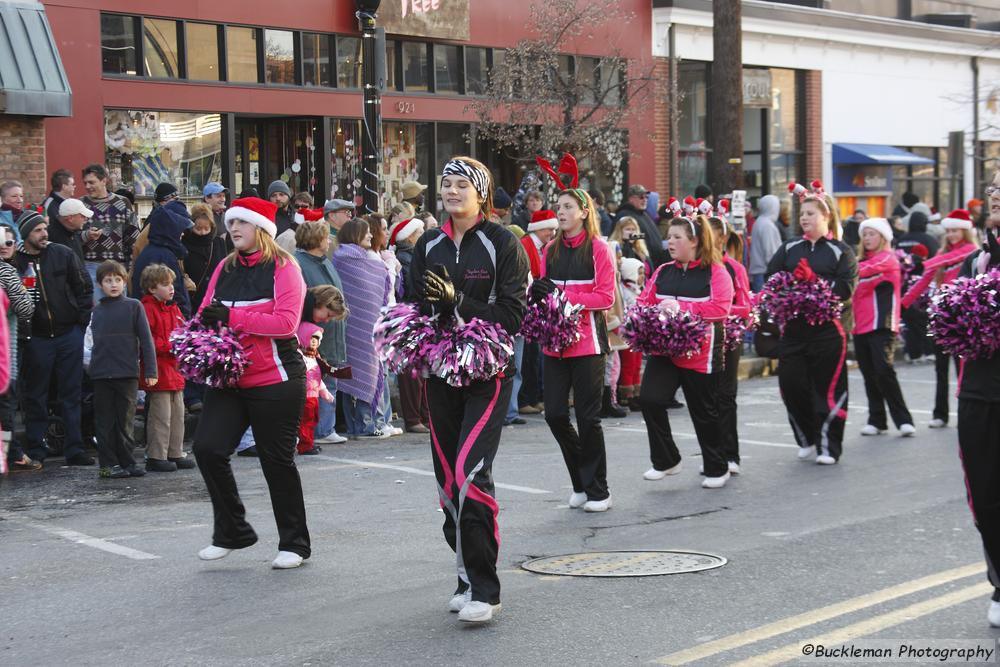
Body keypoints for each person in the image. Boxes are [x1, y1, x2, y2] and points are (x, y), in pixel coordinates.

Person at [408, 156, 528, 624]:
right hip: (441, 372)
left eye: (462, 184)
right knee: (447, 483)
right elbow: (414, 306)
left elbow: (513, 317)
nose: (452, 191)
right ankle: (463, 575)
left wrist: (460, 302)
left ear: (481, 192)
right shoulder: (429, 244)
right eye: (447, 183)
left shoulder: (503, 243)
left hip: (488, 373)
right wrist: (424, 316)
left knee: (471, 473)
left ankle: (485, 589)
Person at [192, 196, 310, 570]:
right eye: (230, 224)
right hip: (230, 377)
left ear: (261, 228)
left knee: (276, 461)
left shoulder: (284, 267)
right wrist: (204, 327)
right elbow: (205, 312)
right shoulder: (225, 267)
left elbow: (286, 324)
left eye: (241, 223)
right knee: (208, 449)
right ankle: (232, 531)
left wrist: (234, 316)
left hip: (276, 377)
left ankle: (295, 543)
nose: (234, 230)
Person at [532, 186, 615, 512]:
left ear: (584, 211)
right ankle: (582, 480)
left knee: (588, 418)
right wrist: (538, 294)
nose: (561, 212)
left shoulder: (599, 249)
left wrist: (565, 299)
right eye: (559, 206)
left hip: (588, 345)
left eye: (568, 207)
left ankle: (598, 490)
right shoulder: (549, 249)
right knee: (553, 414)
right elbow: (543, 294)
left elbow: (605, 298)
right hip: (554, 345)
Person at [637, 215, 734, 487]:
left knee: (704, 412)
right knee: (650, 400)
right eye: (669, 236)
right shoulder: (664, 270)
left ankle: (717, 467)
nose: (670, 241)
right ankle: (666, 460)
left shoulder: (715, 271)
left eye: (677, 237)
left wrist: (683, 309)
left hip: (701, 354)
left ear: (694, 241)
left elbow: (720, 309)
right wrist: (654, 311)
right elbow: (645, 300)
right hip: (665, 350)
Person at [765, 187, 857, 465]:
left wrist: (812, 282)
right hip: (794, 330)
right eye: (801, 213)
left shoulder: (841, 251)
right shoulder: (790, 247)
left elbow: (845, 288)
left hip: (829, 331)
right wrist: (791, 285)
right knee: (790, 385)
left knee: (826, 389)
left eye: (810, 213)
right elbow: (771, 277)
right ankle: (806, 436)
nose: (803, 218)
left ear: (826, 216)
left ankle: (829, 446)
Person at [955, 172, 1000, 627]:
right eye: (993, 190)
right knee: (984, 498)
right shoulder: (976, 262)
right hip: (978, 393)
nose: (995, 196)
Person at [15, 210, 94, 466]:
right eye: (37, 230)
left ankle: (75, 448)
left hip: (68, 334)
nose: (44, 234)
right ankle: (37, 448)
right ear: (26, 233)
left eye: (45, 228)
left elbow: (83, 287)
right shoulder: (16, 262)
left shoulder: (62, 254)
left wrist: (79, 325)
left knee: (71, 393)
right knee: (35, 395)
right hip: (36, 338)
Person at [901, 209, 978, 429]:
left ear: (965, 231)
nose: (952, 234)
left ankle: (967, 411)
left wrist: (923, 264)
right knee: (940, 368)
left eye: (956, 230)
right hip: (941, 317)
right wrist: (903, 304)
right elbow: (924, 280)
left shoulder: (971, 250)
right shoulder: (941, 256)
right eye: (949, 231)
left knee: (962, 367)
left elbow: (947, 259)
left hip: (963, 318)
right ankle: (940, 413)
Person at [88, 260, 157, 479]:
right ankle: (108, 465)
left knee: (125, 421)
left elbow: (146, 340)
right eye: (108, 281)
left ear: (125, 281)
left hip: (127, 372)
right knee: (105, 423)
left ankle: (128, 462)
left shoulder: (134, 306)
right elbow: (90, 343)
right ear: (100, 284)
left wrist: (151, 371)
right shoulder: (97, 311)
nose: (114, 284)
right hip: (101, 374)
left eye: (117, 280)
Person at [851, 218, 915, 438]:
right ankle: (876, 420)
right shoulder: (858, 261)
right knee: (869, 373)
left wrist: (843, 270)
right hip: (859, 326)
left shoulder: (888, 259)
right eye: (865, 234)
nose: (867, 238)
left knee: (884, 371)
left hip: (883, 324)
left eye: (872, 234)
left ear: (883, 237)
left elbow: (860, 272)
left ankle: (904, 419)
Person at [331, 218, 392, 440]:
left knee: (372, 372)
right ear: (355, 234)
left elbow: (376, 291)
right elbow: (351, 293)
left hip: (372, 325)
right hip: (352, 326)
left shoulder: (372, 261)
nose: (370, 236)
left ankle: (369, 423)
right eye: (366, 233)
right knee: (354, 374)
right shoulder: (343, 258)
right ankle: (359, 425)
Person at [294, 221, 349, 444]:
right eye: (326, 237)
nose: (329, 241)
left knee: (331, 380)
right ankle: (319, 430)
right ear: (316, 239)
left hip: (332, 334)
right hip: (314, 337)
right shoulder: (299, 264)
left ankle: (327, 427)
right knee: (316, 383)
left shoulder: (324, 262)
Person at [139, 263, 194, 472]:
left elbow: (181, 331)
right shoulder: (147, 308)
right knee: (160, 416)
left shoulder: (174, 308)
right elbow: (148, 340)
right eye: (165, 284)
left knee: (178, 415)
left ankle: (175, 451)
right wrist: (173, 345)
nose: (171, 288)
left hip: (174, 368)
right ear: (152, 288)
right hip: (159, 369)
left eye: (171, 283)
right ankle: (156, 454)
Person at [709, 215, 752, 474]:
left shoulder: (735, 268)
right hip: (700, 338)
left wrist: (719, 310)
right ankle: (711, 456)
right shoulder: (695, 266)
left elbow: (746, 307)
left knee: (725, 396)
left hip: (728, 336)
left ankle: (730, 455)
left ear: (721, 239)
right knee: (705, 399)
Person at [388, 217, 430, 433]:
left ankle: (423, 415)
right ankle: (414, 418)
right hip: (410, 319)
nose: (424, 233)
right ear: (411, 236)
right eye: (420, 230)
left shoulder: (415, 257)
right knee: (412, 373)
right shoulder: (407, 259)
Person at [0, 222, 35, 471]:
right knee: (7, 410)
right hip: (5, 354)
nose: (6, 246)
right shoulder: (7, 272)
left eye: (10, 242)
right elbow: (26, 309)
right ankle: (10, 455)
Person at [131, 199, 193, 317]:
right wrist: (184, 316)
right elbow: (173, 292)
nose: (182, 233)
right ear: (170, 230)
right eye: (179, 229)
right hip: (163, 320)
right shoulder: (163, 256)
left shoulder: (155, 250)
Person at [81, 163, 140, 286]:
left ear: (104, 181)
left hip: (118, 267)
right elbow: (71, 238)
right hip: (90, 266)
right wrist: (87, 235)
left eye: (91, 182)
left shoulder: (123, 202)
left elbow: (133, 238)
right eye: (85, 183)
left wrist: (130, 269)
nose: (87, 186)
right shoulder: (80, 204)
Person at [295, 324, 336, 456]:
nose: (314, 341)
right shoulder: (300, 356)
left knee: (312, 421)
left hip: (313, 397)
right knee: (305, 422)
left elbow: (318, 379)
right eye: (311, 337)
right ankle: (305, 446)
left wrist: (324, 392)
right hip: (304, 396)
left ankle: (309, 443)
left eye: (317, 339)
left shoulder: (314, 358)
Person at [183, 203, 229, 312]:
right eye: (198, 228)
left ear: (212, 226)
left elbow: (225, 271)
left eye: (206, 228)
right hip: (191, 300)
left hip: (214, 301)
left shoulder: (219, 243)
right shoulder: (184, 244)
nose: (202, 233)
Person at [614, 185, 668, 267]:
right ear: (631, 199)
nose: (645, 200)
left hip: (654, 262)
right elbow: (625, 236)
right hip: (637, 264)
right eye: (641, 197)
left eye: (646, 197)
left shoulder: (644, 214)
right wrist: (644, 237)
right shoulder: (624, 214)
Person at [617, 257, 644, 411]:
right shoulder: (625, 290)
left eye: (643, 273)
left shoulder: (639, 290)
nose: (642, 276)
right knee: (629, 364)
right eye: (639, 273)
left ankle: (636, 392)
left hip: (639, 333)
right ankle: (626, 394)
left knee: (637, 364)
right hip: (629, 333)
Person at [749, 194, 782, 291]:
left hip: (759, 272)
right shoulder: (767, 225)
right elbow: (771, 252)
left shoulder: (759, 222)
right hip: (765, 273)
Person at [48, 197, 91, 263]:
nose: (85, 219)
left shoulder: (73, 231)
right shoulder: (54, 237)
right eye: (82, 216)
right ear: (70, 218)